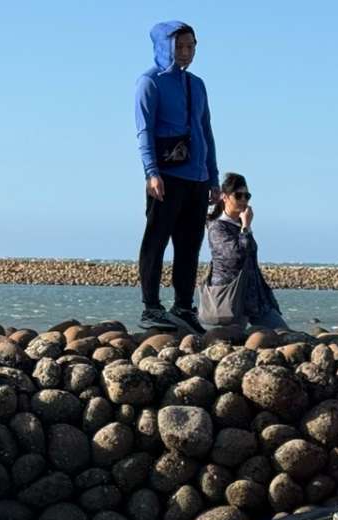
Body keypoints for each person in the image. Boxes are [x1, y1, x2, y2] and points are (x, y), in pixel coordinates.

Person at [135, 21, 220, 335]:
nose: (185, 52)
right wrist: (151, 172)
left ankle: (183, 306)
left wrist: (213, 177)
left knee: (189, 245)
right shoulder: (150, 82)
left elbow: (206, 132)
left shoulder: (196, 84)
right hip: (166, 177)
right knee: (156, 242)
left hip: (197, 177)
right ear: (164, 46)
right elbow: (143, 131)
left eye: (191, 46)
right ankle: (151, 307)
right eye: (179, 46)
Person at [199, 172, 288, 331]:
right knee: (235, 340)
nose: (243, 200)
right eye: (238, 195)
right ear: (225, 197)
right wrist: (246, 227)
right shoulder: (217, 227)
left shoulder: (240, 225)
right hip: (231, 299)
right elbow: (235, 257)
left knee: (282, 333)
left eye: (247, 196)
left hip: (254, 300)